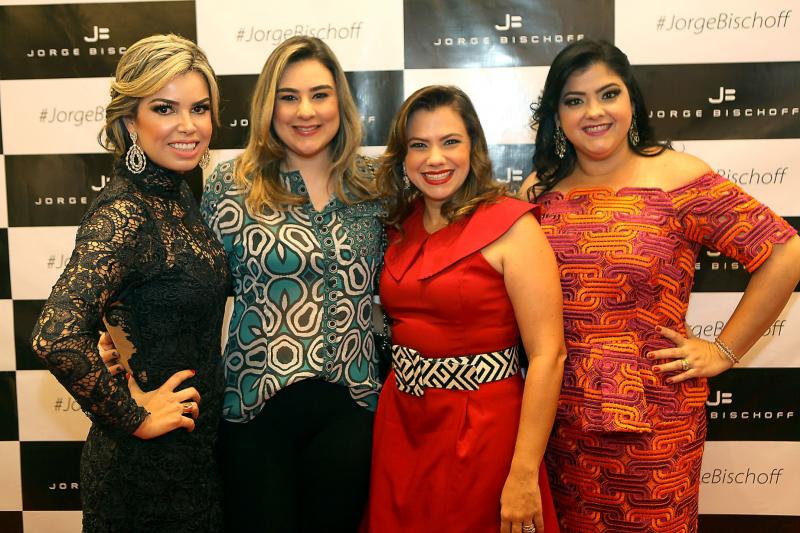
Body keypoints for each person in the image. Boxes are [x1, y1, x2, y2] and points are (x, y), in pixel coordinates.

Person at [520, 39, 800, 532]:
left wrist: (724, 350)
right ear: (557, 116)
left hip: (656, 421)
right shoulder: (538, 190)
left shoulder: (679, 178)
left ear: (631, 98)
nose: (594, 112)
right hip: (559, 421)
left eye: (608, 94)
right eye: (574, 100)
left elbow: (784, 252)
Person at [30, 34, 230, 532]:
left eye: (199, 108)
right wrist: (133, 416)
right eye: (165, 108)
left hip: (195, 456)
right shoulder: (125, 211)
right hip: (144, 475)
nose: (188, 126)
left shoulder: (178, 194)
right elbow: (55, 336)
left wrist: (121, 331)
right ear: (129, 122)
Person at [199, 36, 383, 532]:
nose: (305, 111)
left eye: (320, 95)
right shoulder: (231, 185)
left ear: (340, 103)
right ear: (269, 105)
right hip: (254, 410)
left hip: (352, 410)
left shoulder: (374, 184)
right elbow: (194, 291)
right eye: (288, 97)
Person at [366, 85, 565, 533]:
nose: (434, 159)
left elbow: (548, 355)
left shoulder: (513, 226)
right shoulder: (400, 224)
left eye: (450, 141)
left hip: (484, 429)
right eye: (419, 145)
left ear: (473, 146)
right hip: (402, 424)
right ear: (403, 156)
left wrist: (523, 472)